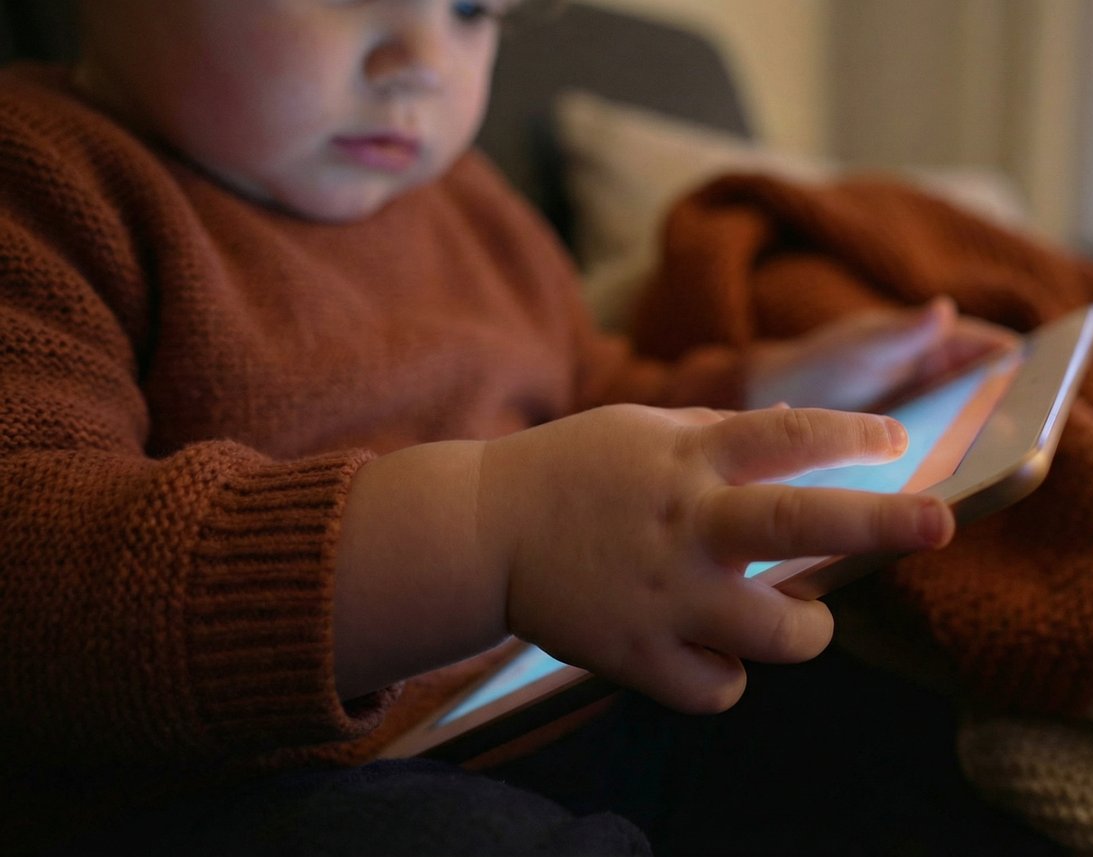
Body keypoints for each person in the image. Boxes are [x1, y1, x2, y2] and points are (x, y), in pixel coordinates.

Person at [0, 1, 1017, 853]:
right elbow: (37, 562)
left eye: (470, 9)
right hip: (249, 782)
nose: (421, 63)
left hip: (555, 698)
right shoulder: (39, 175)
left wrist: (768, 381)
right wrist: (491, 534)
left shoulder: (471, 206)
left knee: (886, 731)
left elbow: (580, 384)